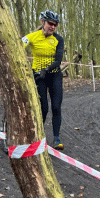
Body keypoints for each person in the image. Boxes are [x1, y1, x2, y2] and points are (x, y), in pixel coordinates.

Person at [22, 10, 65, 150]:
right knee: (43, 108)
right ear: (42, 22)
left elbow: (58, 60)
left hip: (53, 75)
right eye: (50, 24)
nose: (52, 27)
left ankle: (56, 138)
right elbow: (17, 46)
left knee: (56, 107)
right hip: (38, 76)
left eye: (55, 25)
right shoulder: (32, 36)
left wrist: (46, 70)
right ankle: (39, 137)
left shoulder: (58, 39)